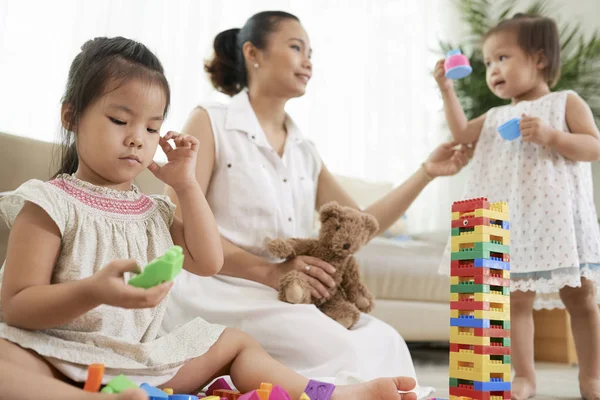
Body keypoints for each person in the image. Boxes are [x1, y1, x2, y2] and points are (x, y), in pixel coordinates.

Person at [0, 36, 419, 400]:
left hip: (135, 362)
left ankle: (329, 393)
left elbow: (208, 260)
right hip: (55, 355)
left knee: (234, 342)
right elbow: (16, 306)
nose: (135, 138)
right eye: (119, 120)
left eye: (151, 128)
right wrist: (94, 290)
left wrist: (186, 186)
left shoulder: (154, 212)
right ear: (71, 117)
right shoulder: (48, 203)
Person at [162, 11, 471, 394]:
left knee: (386, 337)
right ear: (253, 53)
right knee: (335, 345)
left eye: (311, 52)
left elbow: (362, 223)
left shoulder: (304, 148)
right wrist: (269, 272)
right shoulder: (211, 120)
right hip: (218, 287)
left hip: (281, 290)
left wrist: (427, 171)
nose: (308, 61)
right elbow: (176, 226)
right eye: (296, 47)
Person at [434, 14, 600, 400]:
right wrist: (446, 91)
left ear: (539, 60)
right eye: (489, 62)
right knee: (514, 300)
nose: (492, 70)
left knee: (581, 297)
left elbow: (594, 146)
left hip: (558, 221)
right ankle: (523, 376)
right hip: (513, 222)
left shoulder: (564, 103)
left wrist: (553, 136)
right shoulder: (494, 117)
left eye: (503, 58)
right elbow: (461, 134)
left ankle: (592, 377)